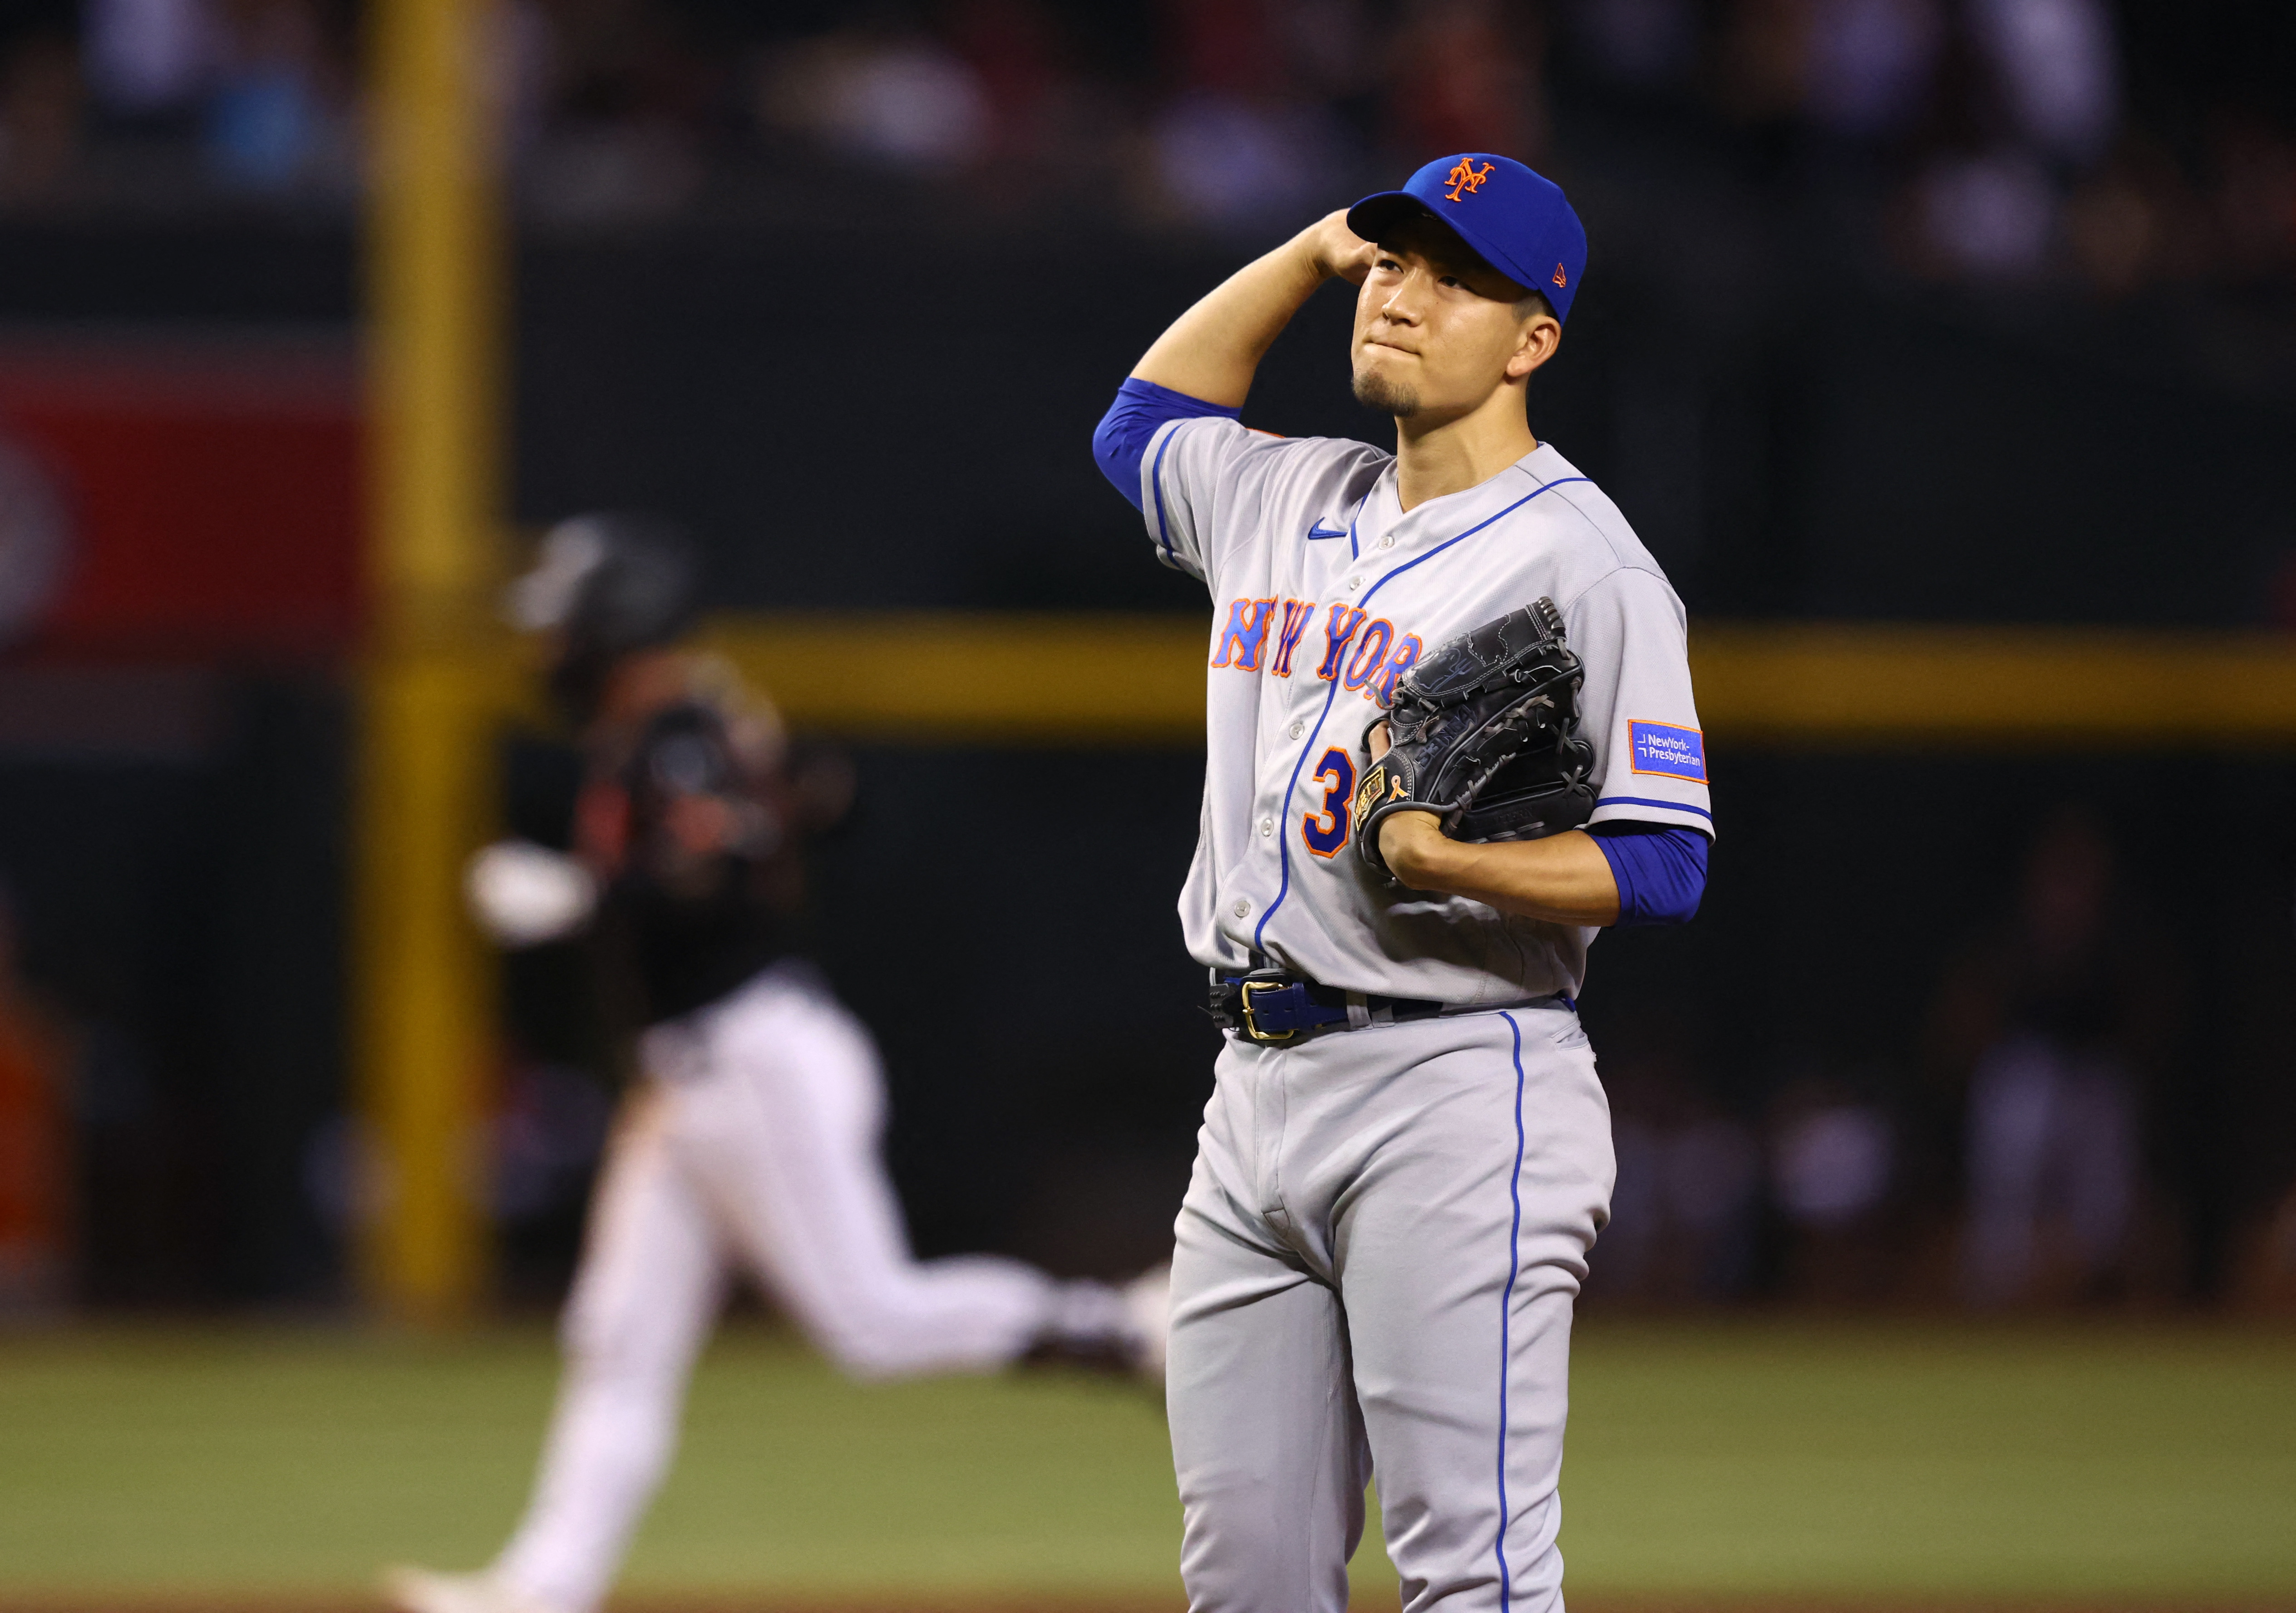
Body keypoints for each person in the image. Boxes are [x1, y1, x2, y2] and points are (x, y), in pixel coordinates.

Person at [1090, 154, 1711, 1610]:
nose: (1404, 295)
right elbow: (1140, 427)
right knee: (1243, 1577)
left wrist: (1452, 859)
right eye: (1392, 264)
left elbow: (1667, 859)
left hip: (1454, 1091)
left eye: (1455, 278)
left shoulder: (1589, 563)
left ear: (1534, 339)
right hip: (1249, 1094)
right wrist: (1309, 250)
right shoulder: (1286, 492)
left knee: (1472, 1576)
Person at [387, 515, 1167, 1613]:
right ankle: (542, 1587)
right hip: (691, 1077)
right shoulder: (683, 727)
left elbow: (722, 860)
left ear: (616, 630)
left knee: (874, 1323)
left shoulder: (680, 736)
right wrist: (777, 779)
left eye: (562, 627)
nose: (545, 650)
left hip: (754, 1061)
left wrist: (586, 897)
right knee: (619, 1337)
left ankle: (1120, 1326)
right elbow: (819, 803)